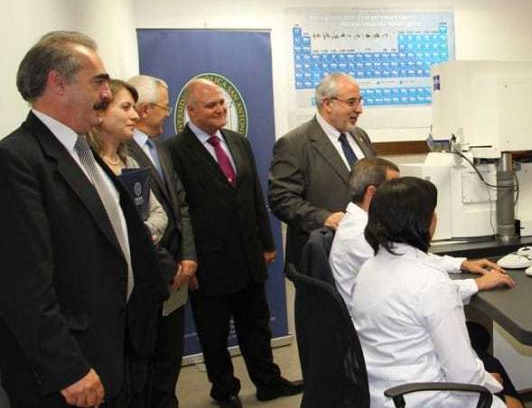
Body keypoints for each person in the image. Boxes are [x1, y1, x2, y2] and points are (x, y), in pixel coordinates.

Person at [0, 31, 162, 408]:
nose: (107, 93)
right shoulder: (17, 159)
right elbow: (22, 283)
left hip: (112, 347)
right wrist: (67, 369)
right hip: (72, 371)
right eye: (99, 82)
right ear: (58, 83)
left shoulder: (80, 150)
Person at [166, 78, 301, 407]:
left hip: (248, 255)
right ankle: (224, 390)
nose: (220, 109)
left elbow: (254, 195)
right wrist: (187, 259)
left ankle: (268, 382)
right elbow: (178, 212)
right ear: (191, 110)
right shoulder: (174, 151)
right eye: (211, 105)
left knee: (256, 326)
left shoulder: (238, 142)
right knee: (213, 333)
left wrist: (267, 242)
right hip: (207, 261)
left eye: (222, 103)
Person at [351, 177, 517, 408]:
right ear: (423, 222)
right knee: (512, 402)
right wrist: (489, 383)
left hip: (378, 392)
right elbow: (464, 374)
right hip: (423, 397)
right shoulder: (432, 283)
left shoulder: (368, 268)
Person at [329, 157, 515, 311]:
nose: (401, 194)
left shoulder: (365, 224)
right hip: (385, 327)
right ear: (372, 193)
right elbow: (417, 288)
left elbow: (409, 257)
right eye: (393, 187)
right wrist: (477, 284)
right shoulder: (359, 235)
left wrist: (460, 264)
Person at [126, 74, 197, 408]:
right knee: (146, 361)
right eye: (165, 108)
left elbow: (180, 205)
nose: (168, 115)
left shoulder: (160, 148)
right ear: (145, 109)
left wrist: (188, 257)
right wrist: (170, 267)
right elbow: (134, 226)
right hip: (150, 274)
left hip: (178, 270)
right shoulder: (120, 153)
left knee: (170, 355)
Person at [269, 72, 375, 269]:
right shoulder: (294, 144)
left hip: (366, 252)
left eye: (360, 101)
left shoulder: (360, 136)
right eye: (351, 102)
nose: (359, 109)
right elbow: (281, 199)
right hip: (321, 256)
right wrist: (324, 218)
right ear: (327, 104)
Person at [88, 79, 167, 244]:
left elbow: (159, 214)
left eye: (133, 107)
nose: (135, 116)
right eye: (125, 107)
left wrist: (143, 232)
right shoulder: (86, 165)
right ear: (100, 113)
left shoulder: (130, 163)